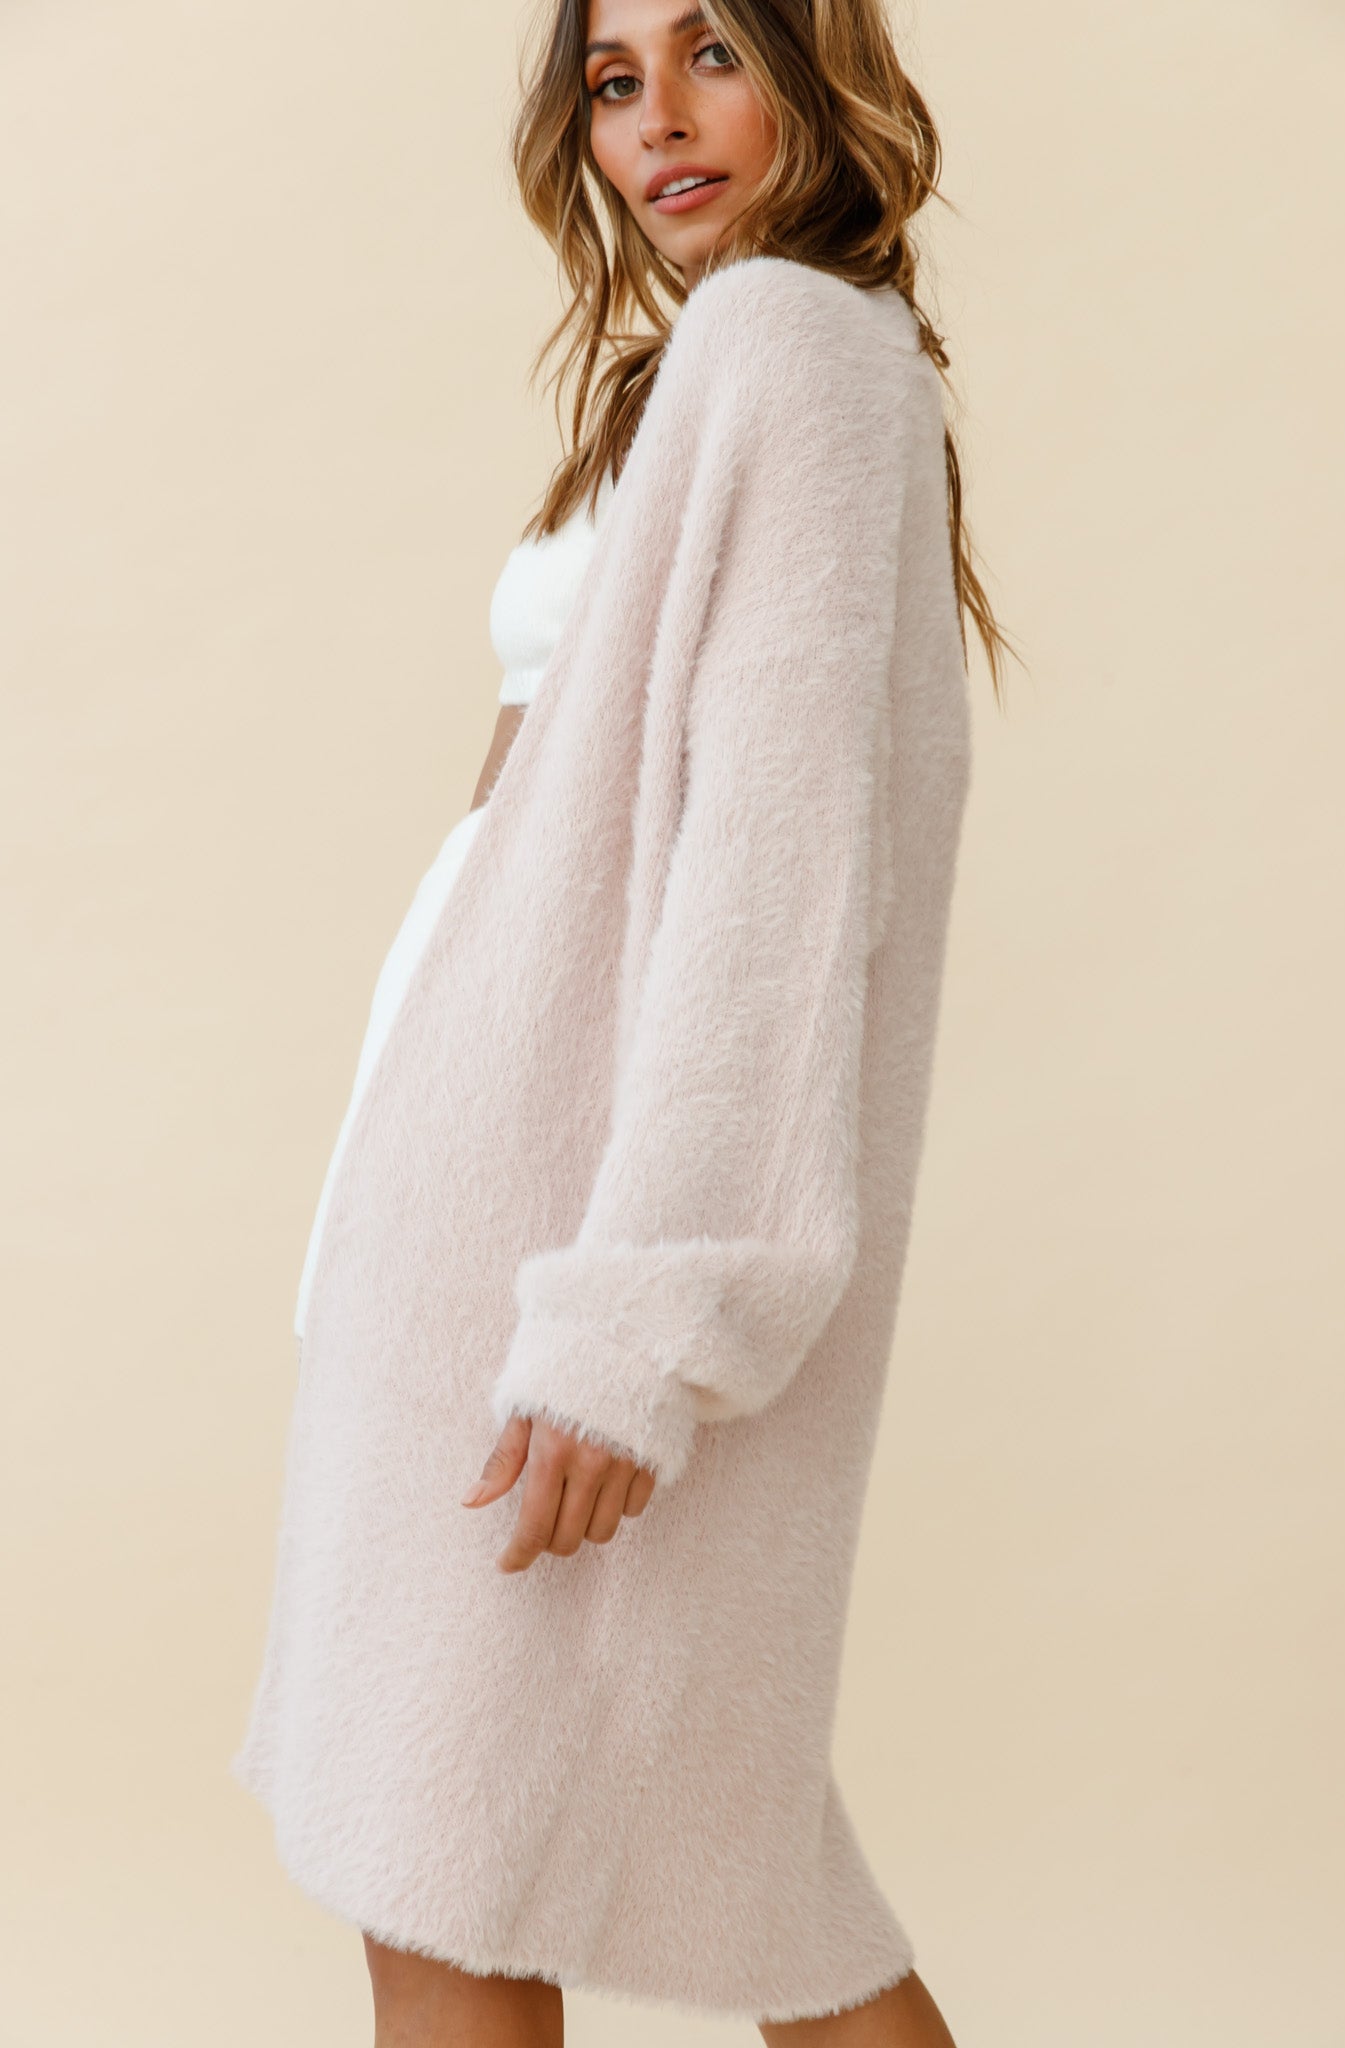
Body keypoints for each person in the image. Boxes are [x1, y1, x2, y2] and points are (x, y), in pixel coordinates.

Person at [231, 2, 1016, 2041]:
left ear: (815, 71)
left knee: (446, 1856)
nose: (655, 119)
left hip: (555, 1238)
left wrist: (633, 1318)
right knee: (618, 1857)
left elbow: (775, 877)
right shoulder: (726, 368)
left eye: (711, 54)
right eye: (609, 79)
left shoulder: (790, 352)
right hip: (463, 1198)